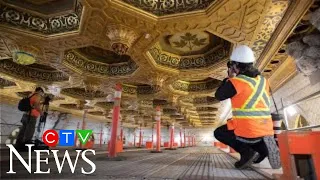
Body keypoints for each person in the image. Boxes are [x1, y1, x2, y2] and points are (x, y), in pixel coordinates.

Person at [214, 45, 280, 169]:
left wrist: (229, 78)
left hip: (247, 128)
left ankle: (247, 152)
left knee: (219, 132)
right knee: (256, 137)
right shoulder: (263, 81)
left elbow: (218, 95)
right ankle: (263, 150)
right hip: (266, 128)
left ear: (235, 66)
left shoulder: (236, 82)